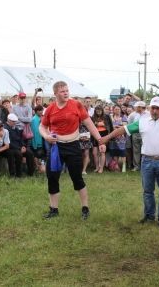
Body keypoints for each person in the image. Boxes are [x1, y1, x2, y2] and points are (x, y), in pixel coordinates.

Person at [101, 93, 159, 229]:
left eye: (158, 108)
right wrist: (107, 137)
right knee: (147, 191)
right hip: (147, 161)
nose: (155, 110)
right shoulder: (142, 121)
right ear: (149, 108)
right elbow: (124, 129)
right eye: (153, 108)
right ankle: (149, 215)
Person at [39, 81, 106, 220]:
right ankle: (53, 209)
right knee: (52, 177)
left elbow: (89, 124)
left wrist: (100, 140)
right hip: (56, 148)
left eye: (67, 90)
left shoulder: (76, 104)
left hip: (73, 146)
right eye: (62, 91)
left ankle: (85, 208)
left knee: (77, 177)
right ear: (55, 93)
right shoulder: (50, 109)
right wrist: (46, 136)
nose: (66, 93)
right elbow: (42, 127)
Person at [91, 105, 113, 173]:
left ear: (102, 111)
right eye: (97, 111)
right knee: (94, 153)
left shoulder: (106, 116)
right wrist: (97, 124)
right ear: (95, 111)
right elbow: (91, 126)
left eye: (100, 111)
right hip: (95, 135)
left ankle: (101, 168)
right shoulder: (93, 117)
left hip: (104, 134)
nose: (99, 112)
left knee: (102, 152)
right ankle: (97, 167)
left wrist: (110, 136)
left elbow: (110, 126)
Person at [128, 101, 147, 171]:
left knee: (145, 151)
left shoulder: (147, 114)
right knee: (136, 150)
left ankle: (144, 166)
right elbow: (129, 124)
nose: (138, 108)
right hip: (135, 134)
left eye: (139, 107)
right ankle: (136, 166)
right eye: (137, 107)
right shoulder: (132, 115)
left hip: (144, 134)